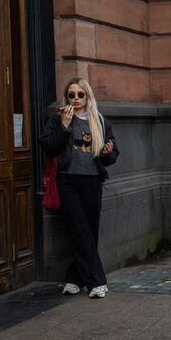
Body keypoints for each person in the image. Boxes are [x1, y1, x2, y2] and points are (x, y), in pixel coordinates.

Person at [41, 77, 118, 299]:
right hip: (67, 180)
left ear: (87, 96)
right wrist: (64, 126)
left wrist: (106, 153)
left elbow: (112, 155)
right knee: (79, 229)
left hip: (92, 181)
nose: (75, 99)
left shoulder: (100, 121)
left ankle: (75, 277)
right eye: (71, 95)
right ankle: (97, 281)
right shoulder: (58, 119)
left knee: (89, 230)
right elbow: (49, 147)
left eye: (80, 95)